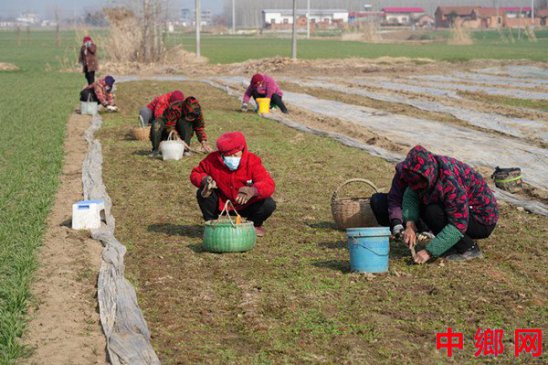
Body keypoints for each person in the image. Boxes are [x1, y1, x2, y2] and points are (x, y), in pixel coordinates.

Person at [399, 145, 498, 263]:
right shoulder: (428, 167)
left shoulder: (451, 184)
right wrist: (410, 224)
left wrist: (429, 252)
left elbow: (458, 225)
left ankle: (469, 248)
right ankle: (451, 246)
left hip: (482, 219)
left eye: (421, 185)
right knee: (428, 208)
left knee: (433, 212)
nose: (417, 187)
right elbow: (411, 194)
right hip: (464, 211)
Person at [190, 131, 276, 237]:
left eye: (236, 155)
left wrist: (253, 190)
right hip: (222, 203)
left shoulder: (252, 161)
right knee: (203, 192)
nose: (233, 158)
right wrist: (204, 180)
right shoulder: (212, 160)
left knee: (268, 203)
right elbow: (196, 173)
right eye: (228, 156)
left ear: (243, 150)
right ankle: (211, 224)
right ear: (221, 153)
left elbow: (268, 183)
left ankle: (253, 224)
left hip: (246, 204)